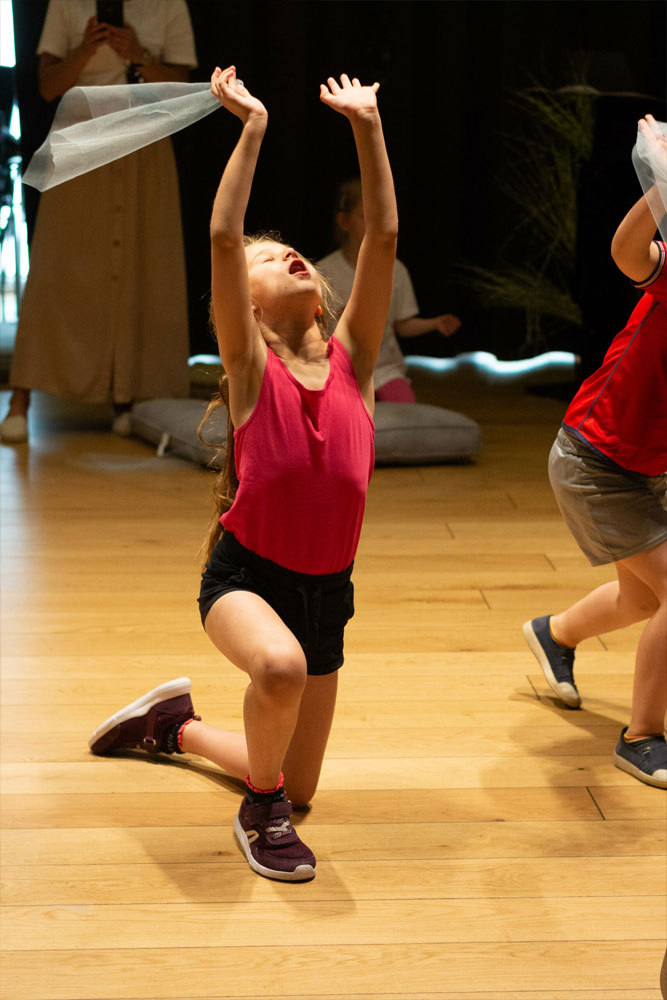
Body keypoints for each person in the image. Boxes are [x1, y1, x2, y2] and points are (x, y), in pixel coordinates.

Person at [87, 67, 398, 880]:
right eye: (268, 258)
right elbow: (224, 239)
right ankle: (259, 815)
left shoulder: (354, 364)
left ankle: (174, 728)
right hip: (245, 582)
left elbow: (383, 238)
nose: (286, 253)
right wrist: (251, 126)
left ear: (321, 297)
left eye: (292, 253)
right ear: (248, 310)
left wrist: (366, 125)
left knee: (300, 782)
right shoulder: (250, 369)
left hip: (326, 595)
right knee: (280, 674)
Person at [523, 114, 667, 789]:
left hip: (644, 468)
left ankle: (553, 634)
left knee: (641, 600)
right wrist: (662, 181)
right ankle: (642, 737)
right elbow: (626, 252)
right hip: (594, 462)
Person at [0, 0, 197, 444]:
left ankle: (126, 398)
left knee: (141, 266)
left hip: (145, 135)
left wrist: (138, 54)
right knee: (56, 267)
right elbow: (47, 86)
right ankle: (20, 399)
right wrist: (86, 49)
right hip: (81, 138)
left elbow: (184, 89)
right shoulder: (67, 3)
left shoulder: (168, 5)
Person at [318, 177, 461, 403]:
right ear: (344, 221)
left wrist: (434, 323)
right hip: (339, 369)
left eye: (379, 216)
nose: (374, 224)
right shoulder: (324, 272)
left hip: (384, 369)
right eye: (365, 216)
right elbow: (314, 330)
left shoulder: (396, 270)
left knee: (404, 410)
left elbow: (402, 325)